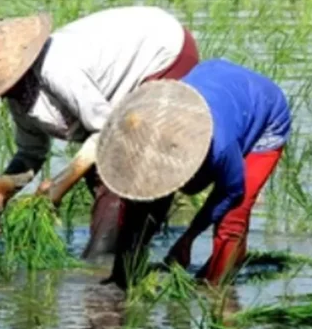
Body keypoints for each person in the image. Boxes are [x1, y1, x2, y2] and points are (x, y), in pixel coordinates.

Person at [0, 6, 200, 258]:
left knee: (122, 164)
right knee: (102, 172)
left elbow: (106, 131)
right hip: (114, 103)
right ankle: (124, 247)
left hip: (165, 54)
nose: (3, 97)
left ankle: (103, 259)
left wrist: (59, 186)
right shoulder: (19, 96)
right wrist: (3, 186)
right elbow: (31, 152)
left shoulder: (57, 68)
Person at [94, 59, 291, 289]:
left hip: (265, 112)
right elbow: (137, 207)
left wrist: (188, 238)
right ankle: (125, 273)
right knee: (146, 198)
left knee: (233, 217)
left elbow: (232, 192)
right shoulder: (153, 127)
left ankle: (217, 289)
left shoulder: (221, 147)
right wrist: (121, 274)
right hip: (214, 82)